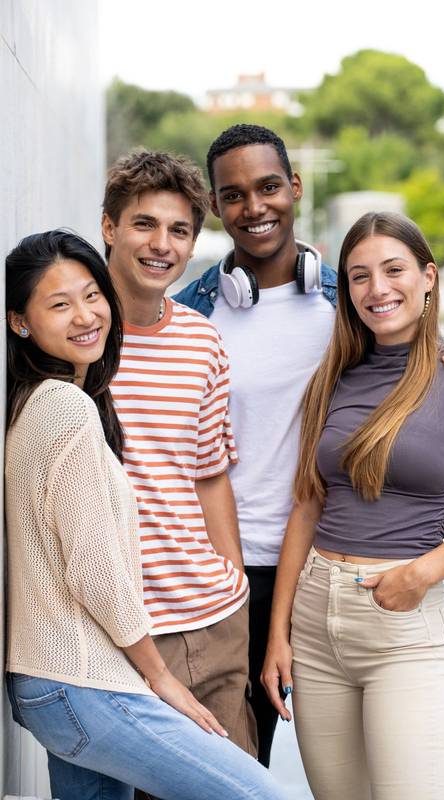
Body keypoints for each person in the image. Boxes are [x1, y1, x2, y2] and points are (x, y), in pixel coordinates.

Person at [174, 123, 444, 767]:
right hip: (213, 574)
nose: (254, 206)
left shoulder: (345, 306)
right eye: (233, 195)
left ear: (295, 187)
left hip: (310, 569)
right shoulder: (190, 315)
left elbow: (414, 347)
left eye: (269, 186)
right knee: (223, 771)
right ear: (216, 206)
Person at [4, 230, 286, 800]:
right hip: (84, 685)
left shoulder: (42, 400)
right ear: (20, 323)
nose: (85, 316)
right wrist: (159, 679)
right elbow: (95, 570)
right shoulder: (65, 409)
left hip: (54, 682)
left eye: (92, 295)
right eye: (59, 304)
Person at [261, 211, 444, 800]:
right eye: (358, 276)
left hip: (406, 625)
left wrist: (419, 574)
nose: (377, 289)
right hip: (315, 620)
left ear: (428, 278)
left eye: (393, 269)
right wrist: (279, 632)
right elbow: (308, 503)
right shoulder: (334, 377)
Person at [100, 150, 257, 780]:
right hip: (116, 629)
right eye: (144, 224)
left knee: (237, 783)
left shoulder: (202, 339)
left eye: (180, 230)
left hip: (211, 620)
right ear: (109, 227)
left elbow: (210, 472)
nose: (161, 245)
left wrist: (233, 581)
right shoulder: (75, 337)